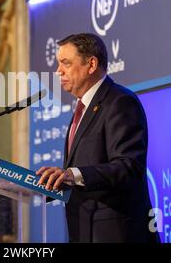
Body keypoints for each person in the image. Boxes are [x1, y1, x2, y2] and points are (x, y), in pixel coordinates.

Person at [36, 33, 159, 243]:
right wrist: (58, 181)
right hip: (85, 232)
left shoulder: (119, 102)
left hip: (117, 234)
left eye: (66, 63)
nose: (58, 71)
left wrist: (72, 175)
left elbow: (128, 167)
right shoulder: (82, 108)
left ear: (91, 64)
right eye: (58, 64)